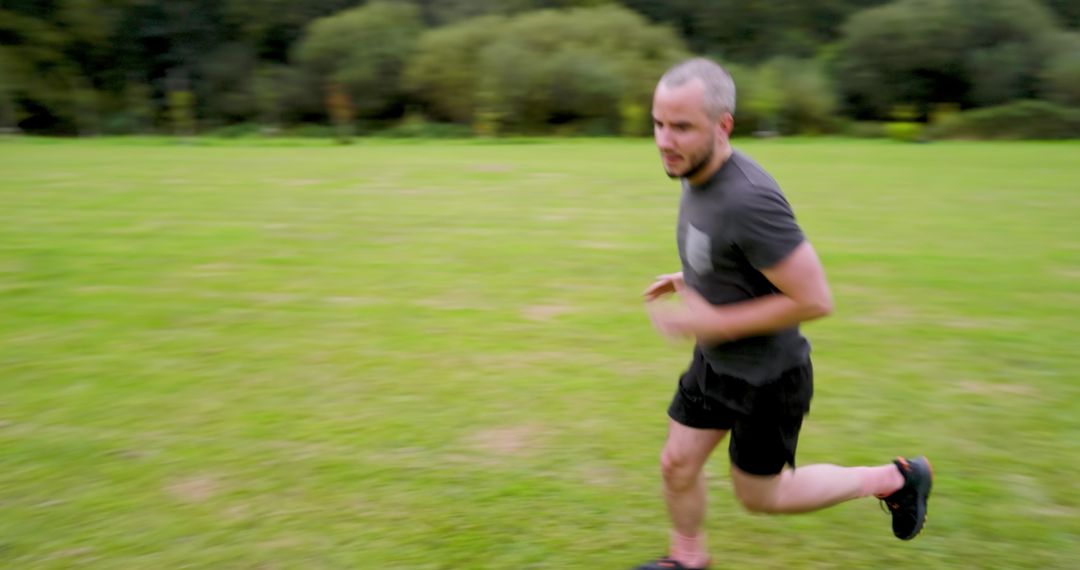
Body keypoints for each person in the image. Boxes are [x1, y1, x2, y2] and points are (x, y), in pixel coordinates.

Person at [635, 58, 933, 570]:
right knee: (676, 463)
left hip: (768, 379)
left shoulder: (750, 198)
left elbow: (814, 298)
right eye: (659, 123)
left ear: (721, 125)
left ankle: (894, 479)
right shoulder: (692, 168)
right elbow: (736, 257)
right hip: (716, 362)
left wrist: (713, 322)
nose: (665, 139)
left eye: (681, 126)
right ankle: (687, 560)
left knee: (761, 496)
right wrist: (689, 279)